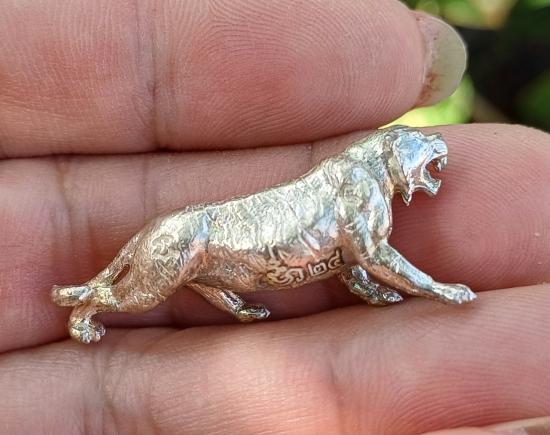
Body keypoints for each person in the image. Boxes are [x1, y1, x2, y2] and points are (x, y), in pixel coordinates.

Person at [0, 1, 548, 434]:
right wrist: (436, 289)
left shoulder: (360, 184)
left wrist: (368, 285)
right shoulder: (359, 183)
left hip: (221, 247)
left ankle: (199, 295)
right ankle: (90, 304)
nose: (429, 183)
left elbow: (347, 253)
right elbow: (370, 252)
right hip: (202, 239)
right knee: (140, 295)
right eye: (427, 167)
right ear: (400, 150)